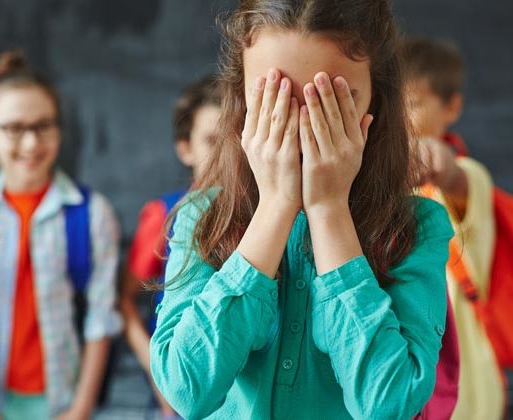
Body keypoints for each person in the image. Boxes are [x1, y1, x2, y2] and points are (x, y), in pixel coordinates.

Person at [149, 1, 454, 418]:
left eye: (331, 102)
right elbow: (186, 390)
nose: (301, 125)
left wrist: (329, 210)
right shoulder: (202, 217)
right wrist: (275, 207)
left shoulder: (418, 227)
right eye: (276, 98)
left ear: (376, 101)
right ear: (241, 99)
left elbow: (389, 403)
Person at [0, 51, 122, 419]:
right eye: (13, 128)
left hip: (64, 398)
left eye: (43, 126)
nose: (30, 144)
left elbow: (101, 317)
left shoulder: (91, 214)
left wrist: (81, 408)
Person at [402, 37, 507, 419]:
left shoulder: (467, 178)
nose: (398, 116)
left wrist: (441, 161)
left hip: (465, 384)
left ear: (452, 107)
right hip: (405, 376)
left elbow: (456, 177)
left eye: (411, 103)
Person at [121, 76, 221, 419]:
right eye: (212, 141)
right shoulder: (166, 214)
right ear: (185, 147)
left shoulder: (269, 214)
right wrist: (158, 372)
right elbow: (125, 301)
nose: (226, 153)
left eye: (235, 139)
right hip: (176, 390)